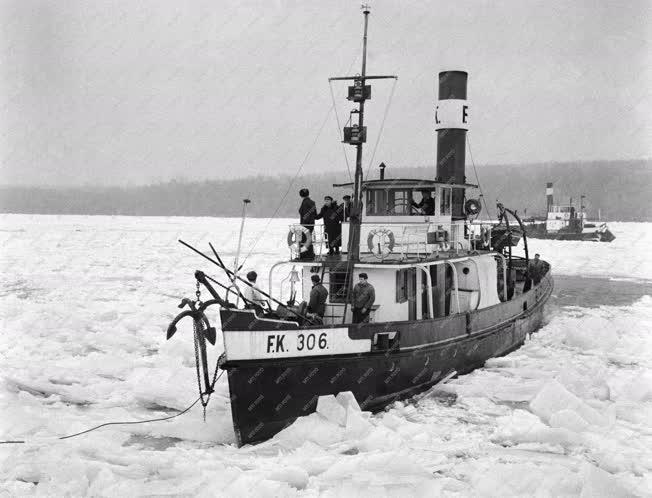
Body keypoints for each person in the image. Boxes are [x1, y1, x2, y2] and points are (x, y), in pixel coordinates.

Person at [298, 188, 316, 258]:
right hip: (311, 224)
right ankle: (310, 254)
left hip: (305, 224)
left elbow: (305, 214)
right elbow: (315, 214)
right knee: (309, 239)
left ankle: (305, 255)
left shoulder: (305, 202)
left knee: (304, 240)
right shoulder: (312, 202)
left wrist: (304, 224)